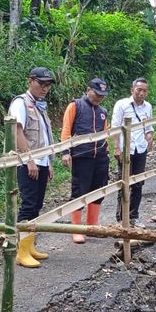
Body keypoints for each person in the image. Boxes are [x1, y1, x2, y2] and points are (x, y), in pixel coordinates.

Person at [8, 67, 55, 268]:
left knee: (36, 205)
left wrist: (48, 162)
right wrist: (29, 160)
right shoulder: (21, 103)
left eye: (47, 85)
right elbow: (17, 132)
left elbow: (44, 136)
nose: (44, 89)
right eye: (41, 84)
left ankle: (30, 246)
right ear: (30, 81)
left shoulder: (40, 106)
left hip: (41, 161)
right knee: (28, 204)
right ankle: (21, 251)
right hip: (27, 163)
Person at [60, 78, 110, 244]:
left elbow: (106, 133)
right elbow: (66, 130)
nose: (98, 98)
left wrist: (107, 152)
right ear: (88, 90)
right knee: (79, 191)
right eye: (96, 94)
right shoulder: (75, 106)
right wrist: (66, 152)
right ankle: (77, 229)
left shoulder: (103, 111)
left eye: (102, 96)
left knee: (98, 190)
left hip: (100, 157)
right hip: (82, 156)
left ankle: (92, 226)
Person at [111, 77, 154, 227]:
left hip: (140, 148)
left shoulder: (147, 107)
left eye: (144, 91)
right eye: (139, 90)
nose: (141, 93)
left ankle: (133, 216)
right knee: (124, 183)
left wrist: (149, 137)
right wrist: (117, 148)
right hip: (126, 150)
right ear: (132, 90)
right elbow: (115, 127)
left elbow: (148, 126)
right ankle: (121, 218)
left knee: (138, 183)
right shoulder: (122, 105)